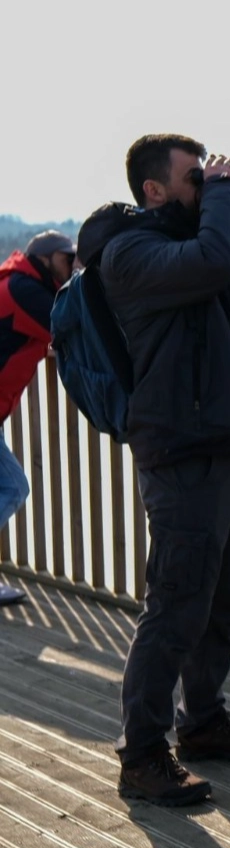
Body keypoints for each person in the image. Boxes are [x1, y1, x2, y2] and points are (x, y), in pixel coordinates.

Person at [82, 133, 230, 807]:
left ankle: (202, 722)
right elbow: (216, 258)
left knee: (224, 599)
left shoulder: (198, 248)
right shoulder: (133, 254)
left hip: (228, 444)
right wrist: (225, 196)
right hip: (182, 455)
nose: (206, 183)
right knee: (176, 606)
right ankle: (142, 756)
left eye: (210, 175)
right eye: (194, 176)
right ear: (153, 190)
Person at [0, 231, 78, 606]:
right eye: (68, 259)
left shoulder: (19, 285)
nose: (73, 266)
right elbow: (70, 329)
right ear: (45, 259)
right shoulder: (24, 291)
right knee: (13, 488)